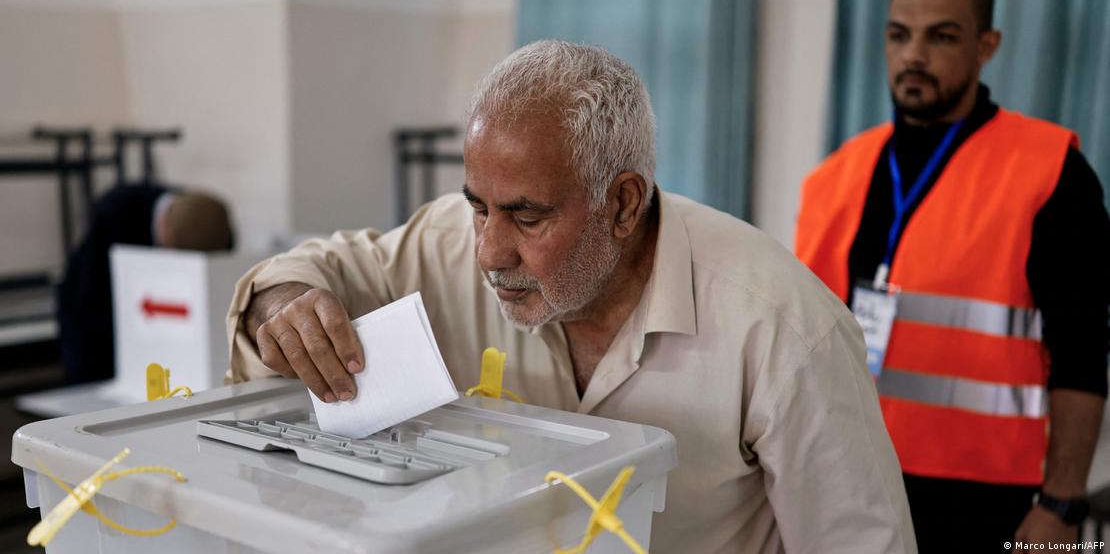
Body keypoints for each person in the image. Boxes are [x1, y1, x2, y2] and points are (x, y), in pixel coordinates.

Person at [227, 40, 915, 552]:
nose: (490, 252)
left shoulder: (783, 330)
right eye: (477, 207)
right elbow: (314, 268)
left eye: (528, 217)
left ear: (622, 204)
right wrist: (284, 303)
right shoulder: (450, 245)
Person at [794, 0, 1110, 551]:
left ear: (986, 45)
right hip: (847, 472)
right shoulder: (834, 177)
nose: (914, 55)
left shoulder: (1050, 172)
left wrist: (1062, 504)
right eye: (899, 35)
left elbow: (1083, 353)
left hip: (988, 498)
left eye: (941, 36)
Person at [57, 183, 234, 383]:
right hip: (93, 325)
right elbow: (86, 302)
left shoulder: (206, 220)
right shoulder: (115, 214)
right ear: (165, 233)